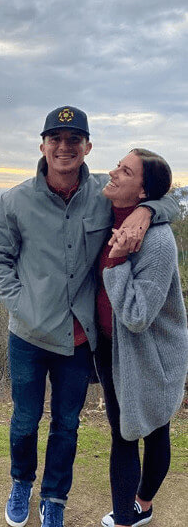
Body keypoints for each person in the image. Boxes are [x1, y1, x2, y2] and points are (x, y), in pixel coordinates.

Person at [0, 106, 178, 527]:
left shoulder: (102, 195)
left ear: (88, 147)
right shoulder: (15, 200)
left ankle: (54, 497)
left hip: (78, 340)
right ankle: (21, 482)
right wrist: (22, 305)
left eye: (74, 140)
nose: (65, 147)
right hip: (29, 336)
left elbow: (164, 200)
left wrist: (149, 211)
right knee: (24, 421)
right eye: (56, 138)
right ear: (43, 146)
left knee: (66, 425)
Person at [95, 148, 188, 527]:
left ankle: (135, 509)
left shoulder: (158, 243)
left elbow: (135, 317)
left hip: (150, 353)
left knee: (148, 429)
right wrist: (150, 208)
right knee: (123, 430)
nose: (113, 172)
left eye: (125, 170)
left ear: (143, 190)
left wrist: (116, 262)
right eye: (118, 164)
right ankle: (129, 512)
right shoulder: (106, 215)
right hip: (110, 347)